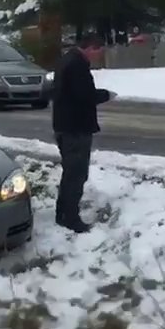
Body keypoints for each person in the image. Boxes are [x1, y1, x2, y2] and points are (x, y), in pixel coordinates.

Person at [50, 35, 116, 233]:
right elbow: (83, 95)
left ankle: (62, 213)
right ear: (90, 48)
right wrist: (105, 95)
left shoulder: (66, 60)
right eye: (99, 51)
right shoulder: (77, 65)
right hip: (75, 129)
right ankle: (70, 218)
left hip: (64, 126)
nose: (99, 56)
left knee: (70, 173)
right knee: (76, 174)